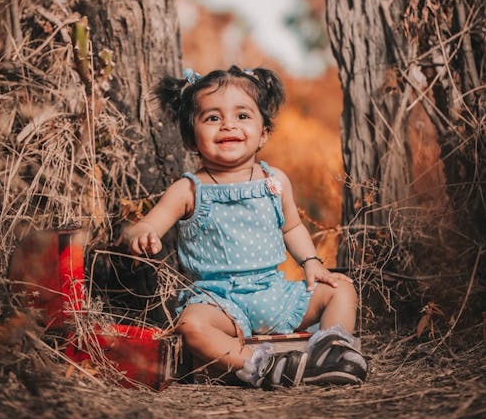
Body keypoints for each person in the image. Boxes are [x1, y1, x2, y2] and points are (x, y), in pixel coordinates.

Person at [126, 65, 367, 389]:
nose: (228, 125)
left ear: (263, 133)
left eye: (242, 116)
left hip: (275, 293)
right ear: (191, 138)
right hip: (220, 303)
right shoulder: (189, 190)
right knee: (190, 325)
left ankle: (332, 351)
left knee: (341, 288)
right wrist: (141, 234)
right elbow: (147, 223)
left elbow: (292, 228)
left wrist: (310, 262)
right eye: (212, 118)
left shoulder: (274, 180)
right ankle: (261, 366)